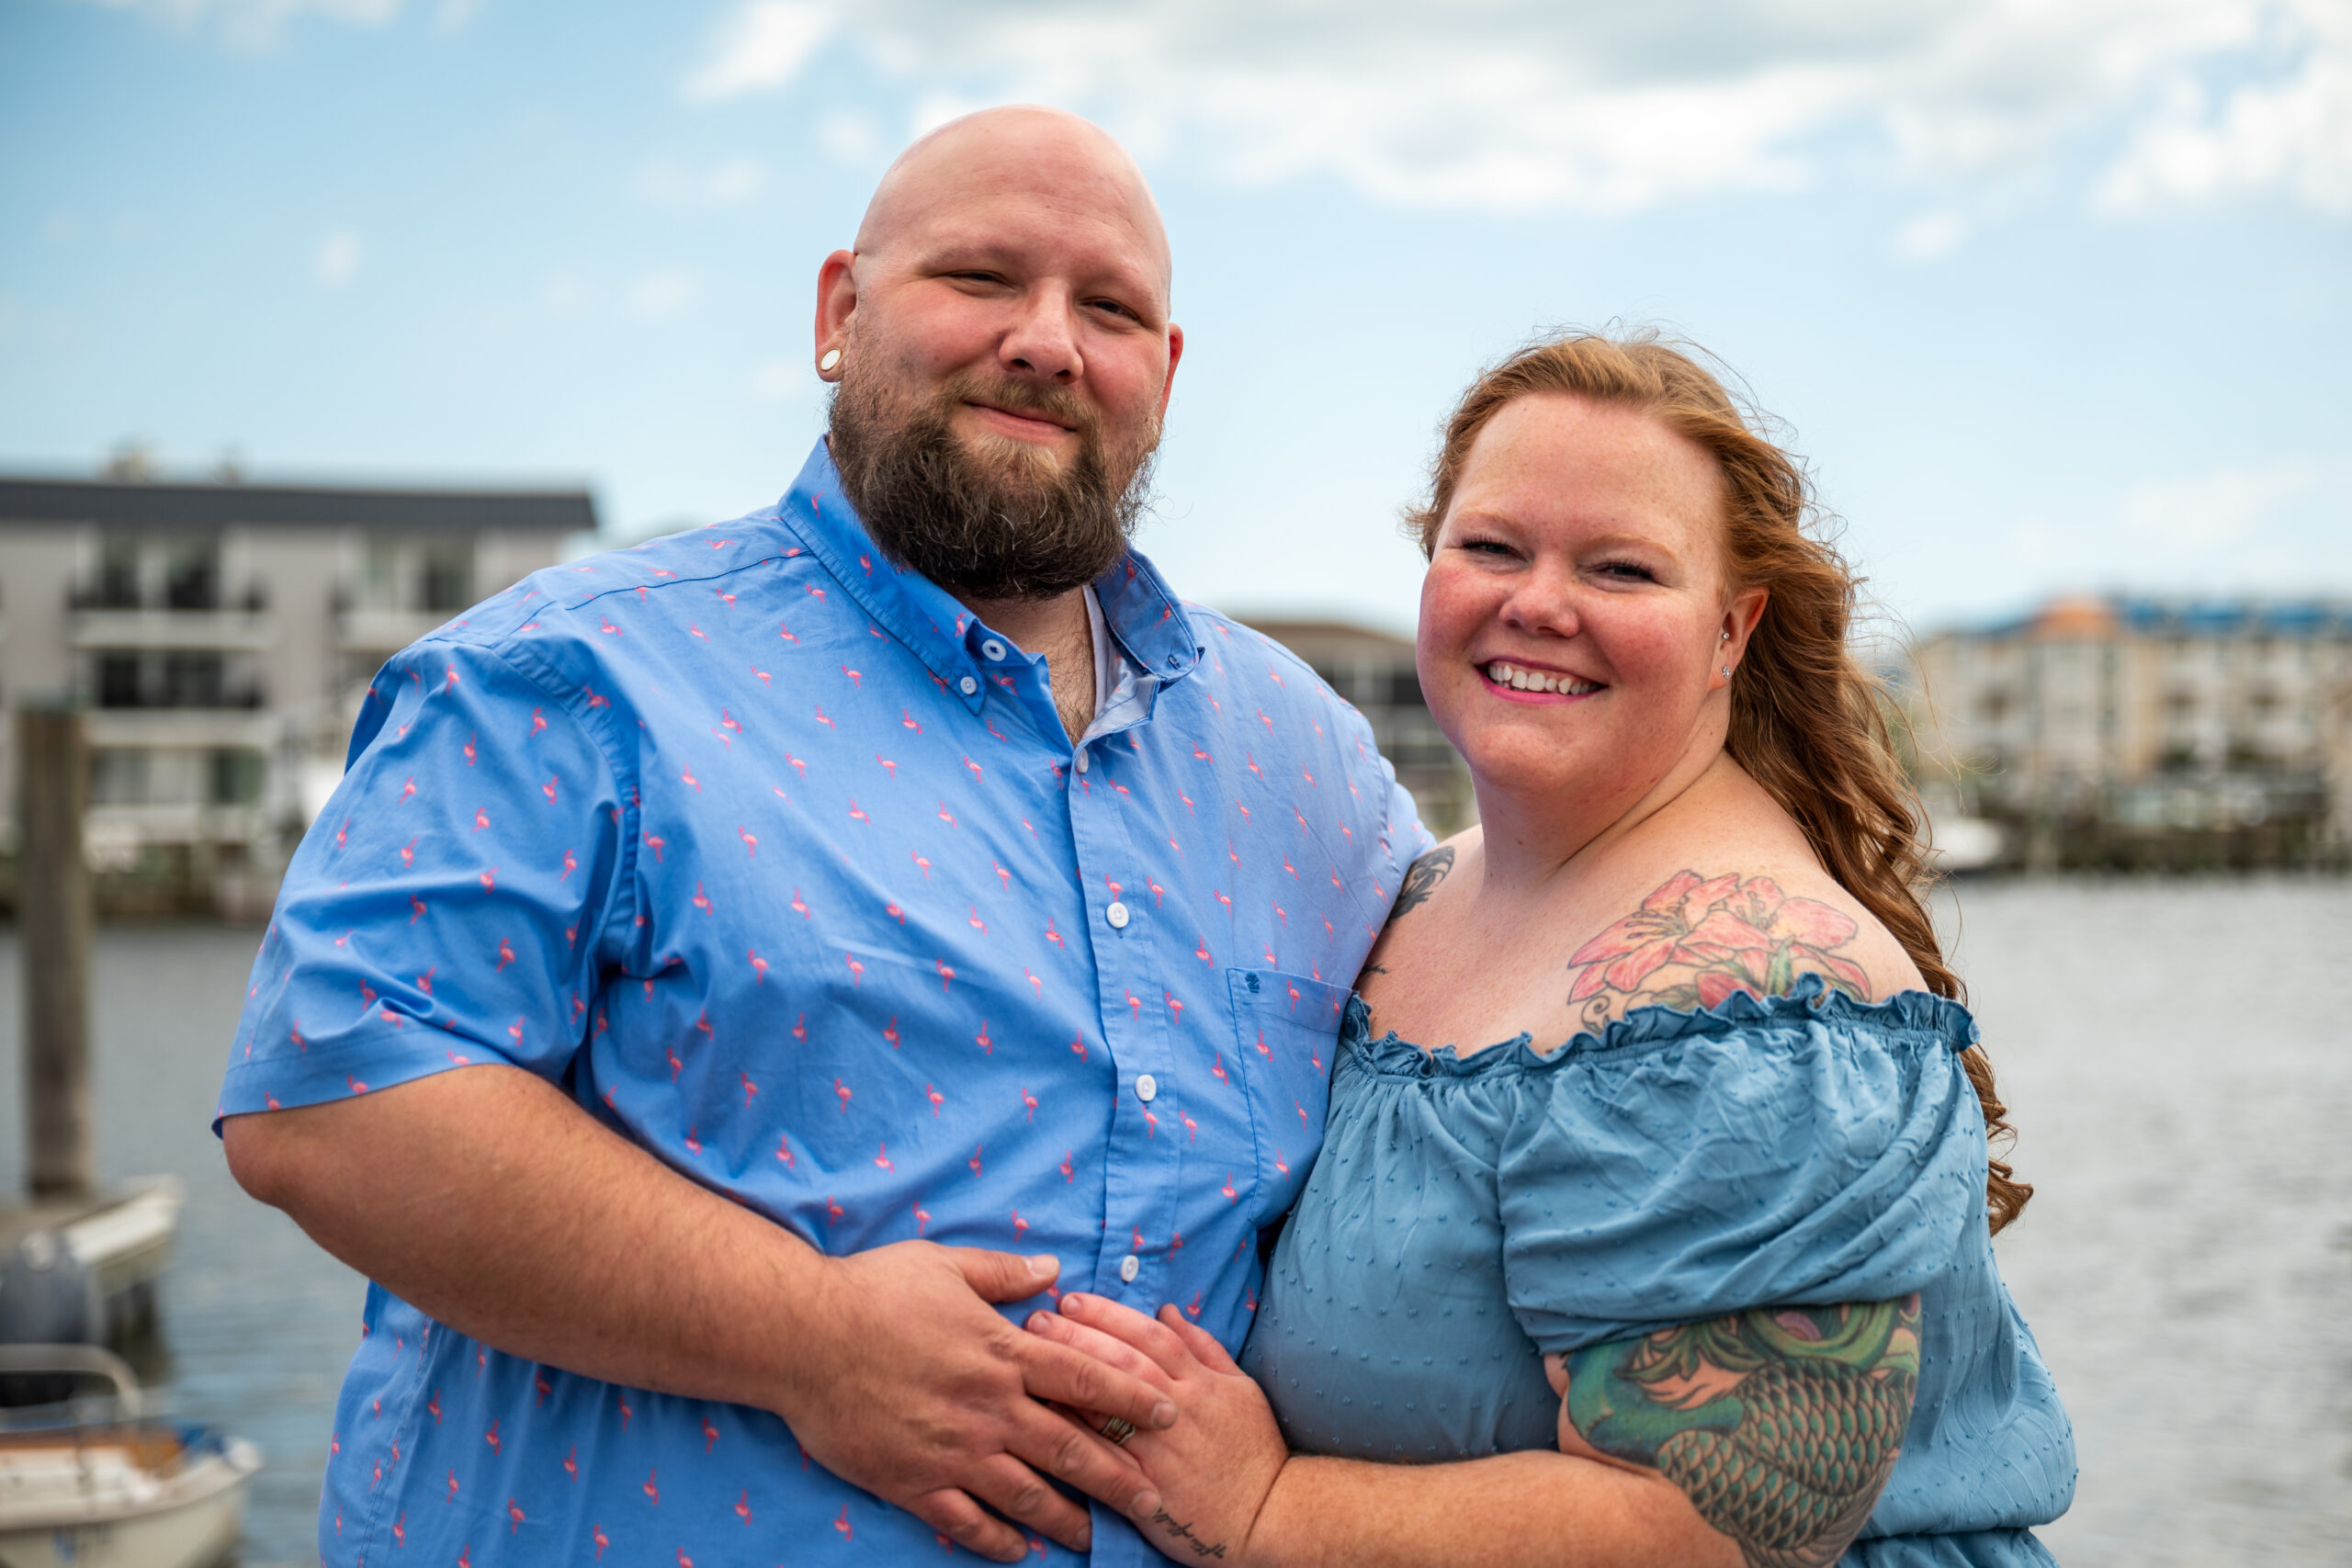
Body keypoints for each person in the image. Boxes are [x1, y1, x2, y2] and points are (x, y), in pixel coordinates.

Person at [216, 105, 1426, 1567]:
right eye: (980, 278)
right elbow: (332, 1105)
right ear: (838, 316)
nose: (1048, 341)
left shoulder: (1310, 765)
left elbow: (1516, 1011)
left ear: (1162, 379)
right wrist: (809, 1339)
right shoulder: (570, 677)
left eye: (1108, 309)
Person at [1025, 333, 2076, 1566]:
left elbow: (1720, 1529)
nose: (1537, 604)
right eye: (1490, 548)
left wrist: (1264, 1510)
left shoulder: (1752, 993)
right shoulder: (1421, 888)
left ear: (1732, 630)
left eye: (1621, 568)